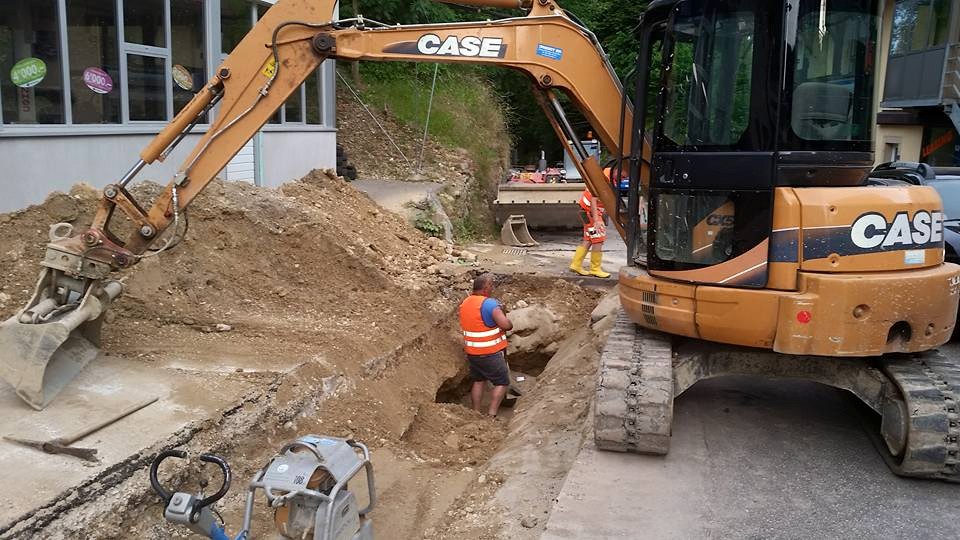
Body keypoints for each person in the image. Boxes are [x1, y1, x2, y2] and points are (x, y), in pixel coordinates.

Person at [458, 273, 513, 417]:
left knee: (479, 380)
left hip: (473, 353)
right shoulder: (489, 304)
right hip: (490, 353)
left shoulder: (466, 303)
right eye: (491, 285)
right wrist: (503, 313)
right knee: (502, 382)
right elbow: (506, 325)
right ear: (486, 287)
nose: (492, 288)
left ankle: (476, 412)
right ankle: (492, 415)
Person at [569, 184, 611, 279]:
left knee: (588, 238)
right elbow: (594, 199)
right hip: (592, 213)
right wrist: (597, 220)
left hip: (586, 211)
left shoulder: (597, 177)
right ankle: (595, 269)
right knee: (598, 239)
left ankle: (576, 264)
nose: (625, 177)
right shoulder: (602, 180)